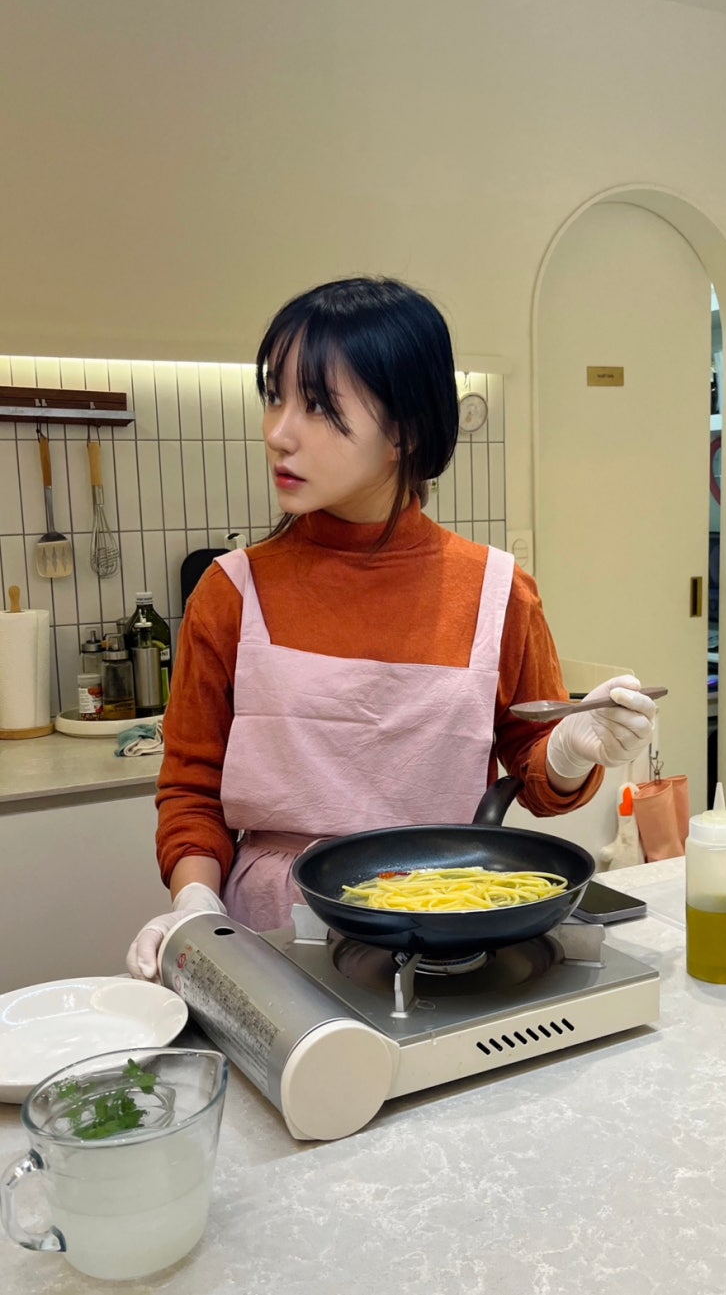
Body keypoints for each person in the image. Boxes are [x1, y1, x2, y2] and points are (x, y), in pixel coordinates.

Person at [126, 276, 656, 981]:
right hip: (268, 931)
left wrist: (569, 750)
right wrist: (194, 901)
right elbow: (193, 789)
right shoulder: (231, 593)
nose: (278, 431)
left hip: (447, 920)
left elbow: (534, 775)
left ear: (403, 428)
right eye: (274, 396)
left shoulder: (497, 592)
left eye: (317, 405)